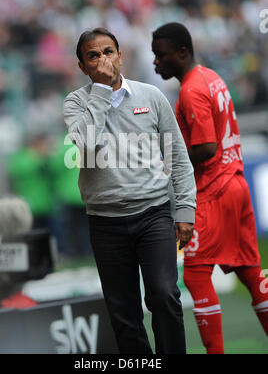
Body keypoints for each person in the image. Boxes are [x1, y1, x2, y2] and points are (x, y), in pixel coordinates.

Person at [63, 27, 196, 354]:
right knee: (123, 312)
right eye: (93, 55)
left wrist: (185, 209)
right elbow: (89, 146)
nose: (103, 60)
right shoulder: (74, 103)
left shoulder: (151, 96)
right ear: (82, 67)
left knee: (165, 295)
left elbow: (177, 156)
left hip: (153, 215)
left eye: (108, 52)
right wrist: (102, 92)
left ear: (121, 55)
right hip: (105, 222)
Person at [152, 22, 268, 354]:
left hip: (212, 190)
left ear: (182, 52)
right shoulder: (212, 77)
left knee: (196, 277)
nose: (157, 62)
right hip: (237, 184)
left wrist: (166, 163)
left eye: (161, 55)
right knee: (250, 273)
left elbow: (205, 148)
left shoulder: (190, 90)